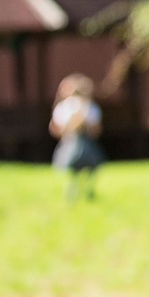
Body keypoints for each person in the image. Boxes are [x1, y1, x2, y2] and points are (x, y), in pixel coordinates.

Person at [49, 73, 105, 201]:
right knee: (85, 168)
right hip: (76, 142)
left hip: (77, 142)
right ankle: (82, 191)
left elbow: (56, 128)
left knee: (76, 170)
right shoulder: (75, 106)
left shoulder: (79, 106)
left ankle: (77, 192)